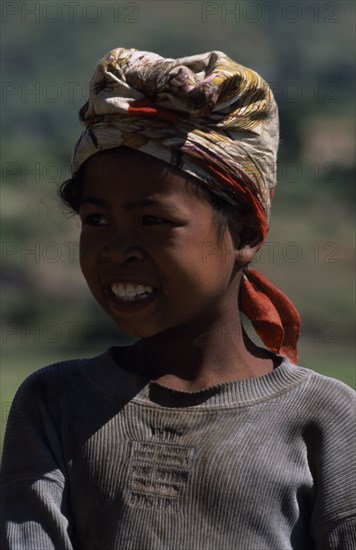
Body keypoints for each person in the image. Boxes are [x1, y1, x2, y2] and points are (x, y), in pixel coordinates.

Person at [1, 48, 355, 550]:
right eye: (96, 220)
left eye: (154, 222)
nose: (117, 250)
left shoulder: (327, 418)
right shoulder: (55, 404)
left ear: (246, 233)